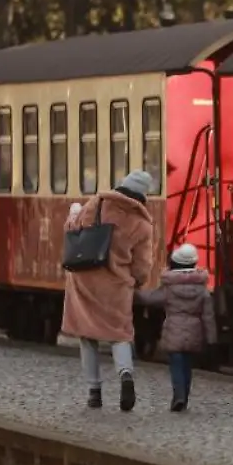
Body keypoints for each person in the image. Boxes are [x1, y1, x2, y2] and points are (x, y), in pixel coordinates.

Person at [62, 170, 155, 412]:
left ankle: (94, 392)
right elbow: (142, 265)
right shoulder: (142, 224)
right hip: (116, 285)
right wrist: (137, 281)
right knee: (120, 334)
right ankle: (125, 374)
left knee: (87, 335)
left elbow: (73, 227)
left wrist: (73, 212)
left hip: (84, 279)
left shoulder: (97, 204)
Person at [134, 243, 217, 412]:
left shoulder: (169, 289)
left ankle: (178, 395)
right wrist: (211, 339)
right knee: (187, 366)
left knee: (176, 366)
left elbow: (150, 299)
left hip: (174, 331)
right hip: (194, 332)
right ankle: (184, 396)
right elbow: (208, 317)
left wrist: (132, 292)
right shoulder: (202, 290)